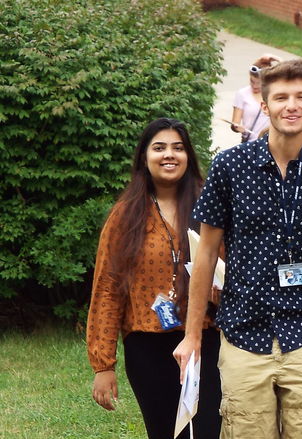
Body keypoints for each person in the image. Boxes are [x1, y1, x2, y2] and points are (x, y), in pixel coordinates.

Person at [173, 59, 302, 439]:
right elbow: (206, 255)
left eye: (300, 97)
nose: (290, 105)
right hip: (244, 333)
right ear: (263, 104)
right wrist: (192, 336)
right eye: (280, 97)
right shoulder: (230, 166)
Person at [86, 117, 221, 439]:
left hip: (207, 339)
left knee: (210, 431)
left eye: (178, 147)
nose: (169, 155)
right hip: (147, 345)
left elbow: (234, 270)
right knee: (164, 433)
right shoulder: (125, 215)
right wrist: (103, 365)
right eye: (159, 148)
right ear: (144, 158)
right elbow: (107, 288)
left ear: (189, 155)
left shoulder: (210, 206)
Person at [230, 54, 281, 142]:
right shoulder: (242, 94)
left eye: (259, 83)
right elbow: (235, 123)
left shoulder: (274, 93)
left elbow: (288, 75)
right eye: (252, 81)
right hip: (252, 143)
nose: (255, 86)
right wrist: (237, 128)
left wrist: (278, 59)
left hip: (273, 142)